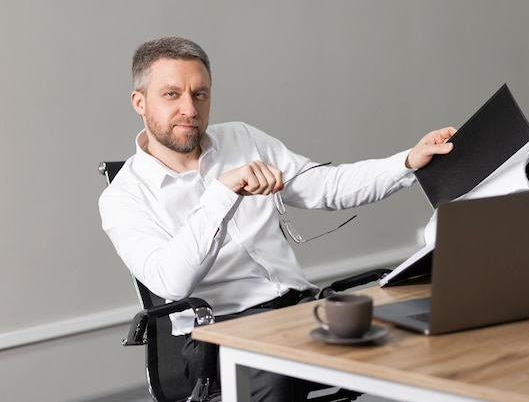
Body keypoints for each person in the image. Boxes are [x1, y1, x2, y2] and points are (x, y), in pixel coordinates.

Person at [99, 36, 456, 402]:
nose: (190, 109)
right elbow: (172, 283)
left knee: (410, 330)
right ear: (139, 102)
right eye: (172, 95)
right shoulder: (122, 198)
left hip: (298, 310)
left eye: (200, 94)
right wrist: (224, 193)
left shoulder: (242, 138)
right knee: (276, 364)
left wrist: (409, 161)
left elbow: (329, 187)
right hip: (218, 335)